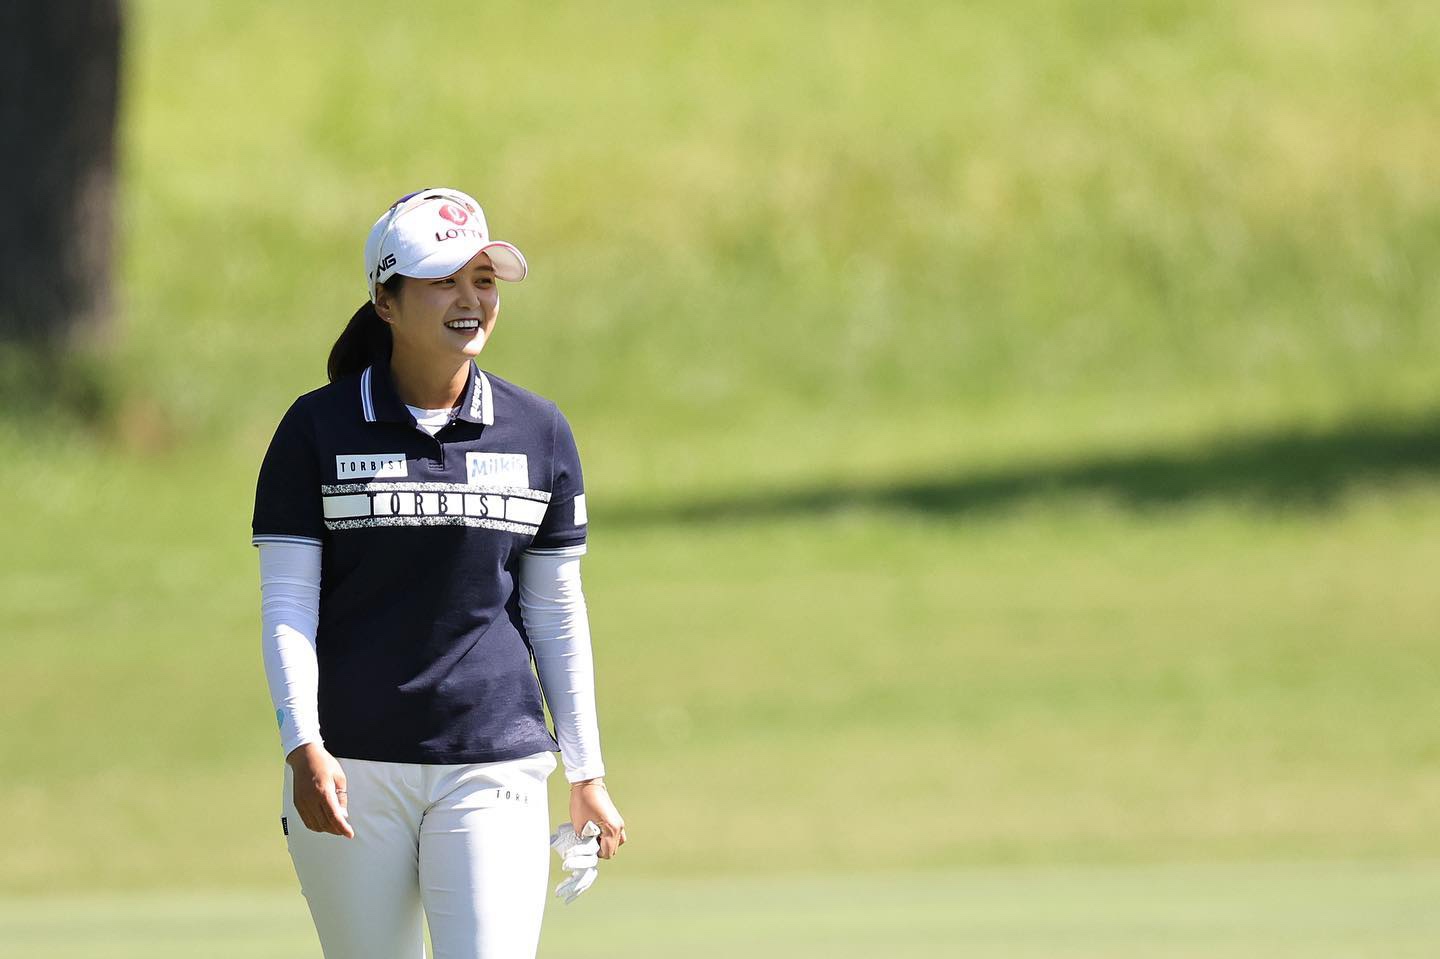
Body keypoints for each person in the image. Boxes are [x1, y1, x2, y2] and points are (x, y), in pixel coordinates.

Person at [250, 187, 628, 958]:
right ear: (385, 301)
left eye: (483, 280)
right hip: (350, 765)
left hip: (496, 761)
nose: (470, 299)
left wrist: (586, 771)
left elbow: (555, 610)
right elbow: (288, 602)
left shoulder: (539, 430)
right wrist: (302, 742)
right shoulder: (314, 428)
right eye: (442, 280)